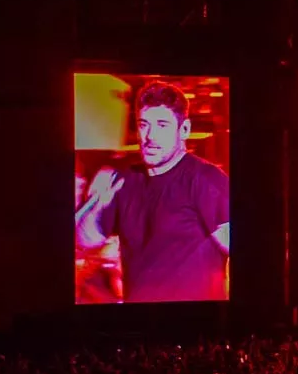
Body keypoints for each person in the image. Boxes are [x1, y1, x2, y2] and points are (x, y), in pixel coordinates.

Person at [76, 80, 230, 302]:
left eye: (162, 125)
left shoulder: (205, 179)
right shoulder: (126, 180)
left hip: (194, 324)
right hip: (139, 323)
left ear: (184, 130)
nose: (150, 136)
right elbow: (86, 241)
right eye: (144, 124)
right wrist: (98, 206)